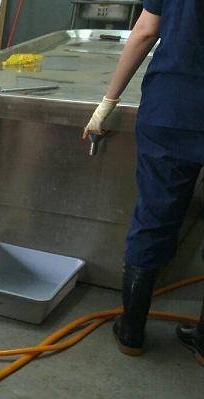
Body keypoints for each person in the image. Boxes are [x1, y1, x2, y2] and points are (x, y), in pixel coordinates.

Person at [82, 2, 204, 363]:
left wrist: (106, 104)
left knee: (153, 218)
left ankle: (132, 332)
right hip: (175, 108)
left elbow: (145, 32)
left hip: (173, 109)